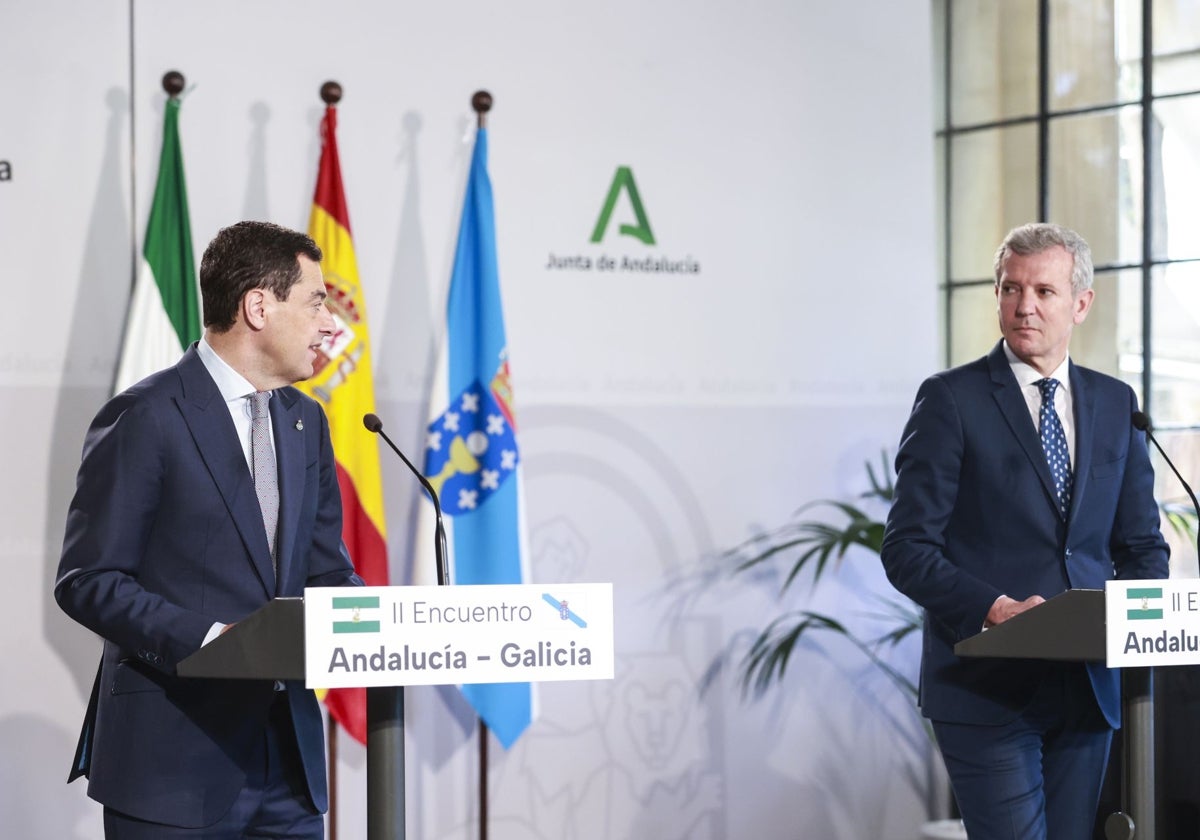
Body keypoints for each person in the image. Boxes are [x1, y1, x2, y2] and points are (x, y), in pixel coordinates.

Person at [55, 220, 363, 839]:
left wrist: (386, 621)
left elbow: (324, 569)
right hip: (173, 764)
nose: (332, 325)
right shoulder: (146, 415)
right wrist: (211, 639)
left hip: (289, 770)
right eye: (315, 302)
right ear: (257, 306)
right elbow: (88, 579)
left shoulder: (308, 422)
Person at [880, 222, 1169, 840]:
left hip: (1088, 687)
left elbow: (1141, 547)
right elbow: (906, 549)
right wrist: (993, 607)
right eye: (1011, 289)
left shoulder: (1117, 404)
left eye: (1044, 291)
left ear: (1081, 303)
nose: (1024, 306)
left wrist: (1137, 621)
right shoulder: (950, 400)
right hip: (987, 689)